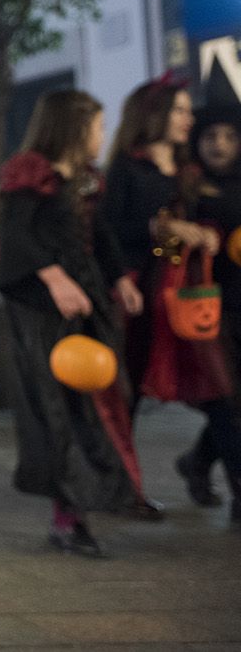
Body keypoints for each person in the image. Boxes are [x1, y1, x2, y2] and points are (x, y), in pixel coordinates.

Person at [0, 90, 140, 556]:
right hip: (42, 313)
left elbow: (100, 237)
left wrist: (120, 280)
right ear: (73, 128)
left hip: (87, 305)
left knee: (101, 403)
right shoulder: (30, 175)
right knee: (58, 413)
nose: (101, 134)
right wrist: (55, 278)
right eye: (96, 126)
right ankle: (68, 517)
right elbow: (15, 238)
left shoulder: (84, 180)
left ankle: (109, 493)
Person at [102, 78, 233, 520]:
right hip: (139, 296)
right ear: (155, 114)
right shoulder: (126, 166)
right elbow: (108, 233)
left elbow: (205, 221)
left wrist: (205, 235)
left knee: (218, 388)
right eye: (179, 110)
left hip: (185, 295)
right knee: (128, 393)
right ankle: (122, 490)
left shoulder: (187, 168)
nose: (188, 119)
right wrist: (159, 233)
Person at [178, 103, 241, 520]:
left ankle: (197, 461)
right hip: (210, 308)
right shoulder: (188, 186)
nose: (219, 145)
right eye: (210, 137)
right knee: (226, 399)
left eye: (229, 136)